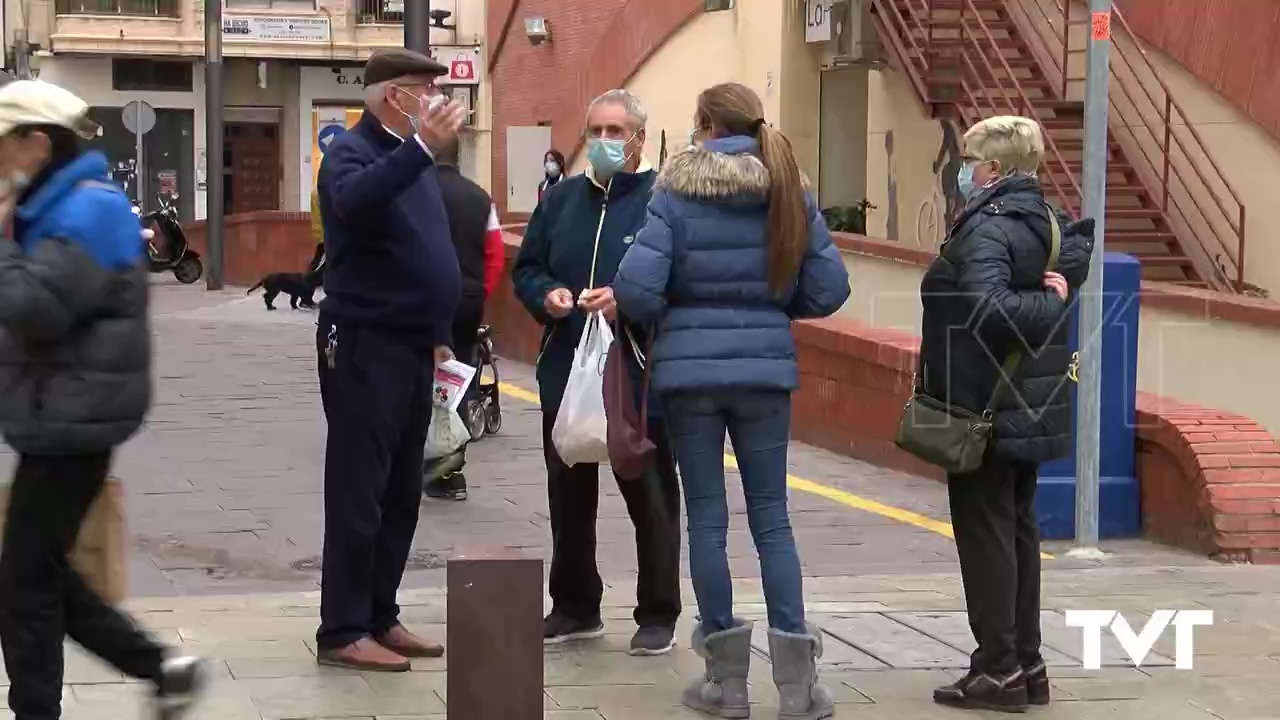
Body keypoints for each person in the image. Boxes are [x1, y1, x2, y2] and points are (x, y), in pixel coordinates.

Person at [613, 82, 850, 720]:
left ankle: (726, 683)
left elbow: (636, 291)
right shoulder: (790, 190)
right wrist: (772, 311)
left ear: (705, 126)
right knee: (772, 518)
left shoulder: (675, 193)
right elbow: (830, 288)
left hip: (690, 379)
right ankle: (799, 689)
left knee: (709, 522)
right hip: (765, 376)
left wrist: (679, 316)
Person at [0, 79, 207, 720]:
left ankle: (49, 704)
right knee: (33, 570)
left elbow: (35, 308)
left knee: (24, 578)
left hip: (76, 415)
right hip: (64, 410)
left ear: (35, 143)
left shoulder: (87, 210)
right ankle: (161, 667)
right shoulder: (63, 205)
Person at [917, 116, 1091, 711]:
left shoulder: (989, 228)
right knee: (1016, 530)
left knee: (988, 533)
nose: (960, 171)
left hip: (983, 405)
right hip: (1025, 403)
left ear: (991, 170)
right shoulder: (1043, 219)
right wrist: (1060, 289)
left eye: (967, 160)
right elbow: (1076, 250)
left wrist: (1050, 301)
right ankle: (1027, 662)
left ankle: (997, 668)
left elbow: (992, 309)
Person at [313, 49, 469, 672]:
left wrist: (438, 331)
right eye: (421, 89)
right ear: (389, 96)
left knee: (404, 488)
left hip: (412, 344)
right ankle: (342, 627)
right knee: (360, 488)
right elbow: (352, 204)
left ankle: (381, 613)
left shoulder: (416, 160)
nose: (432, 99)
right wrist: (420, 152)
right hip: (363, 343)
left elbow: (426, 249)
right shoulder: (354, 152)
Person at [512, 89, 682, 655]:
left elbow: (682, 280)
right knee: (568, 489)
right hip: (567, 365)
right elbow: (527, 266)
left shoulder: (663, 200)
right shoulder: (560, 200)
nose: (605, 142)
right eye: (596, 131)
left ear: (639, 136)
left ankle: (657, 612)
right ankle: (575, 604)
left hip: (636, 372)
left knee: (649, 490)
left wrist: (627, 300)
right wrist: (549, 295)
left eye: (617, 131)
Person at [423, 135, 505, 501]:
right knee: (457, 378)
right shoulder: (480, 197)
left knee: (418, 378)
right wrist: (478, 293)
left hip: (421, 298)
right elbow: (496, 254)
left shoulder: (413, 193)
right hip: (467, 300)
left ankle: (419, 461)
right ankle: (451, 471)